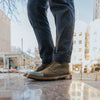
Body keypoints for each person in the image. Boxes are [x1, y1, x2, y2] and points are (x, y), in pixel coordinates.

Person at [24, 0, 75, 80]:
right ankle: (48, 60)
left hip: (62, 59)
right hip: (48, 59)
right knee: (33, 7)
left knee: (60, 2)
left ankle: (61, 62)